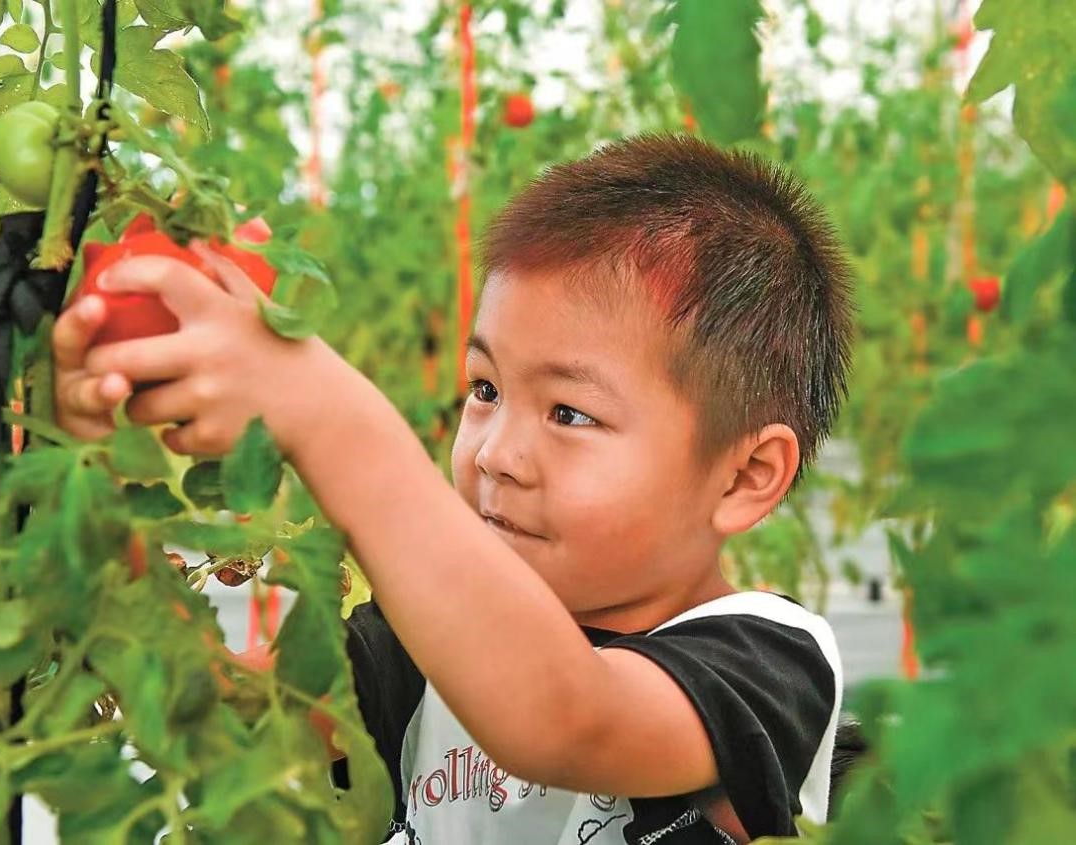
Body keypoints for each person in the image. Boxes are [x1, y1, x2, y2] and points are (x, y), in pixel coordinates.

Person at [51, 132, 854, 844]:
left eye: (569, 412)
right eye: (484, 389)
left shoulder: (765, 660)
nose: (497, 453)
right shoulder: (411, 651)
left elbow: (564, 718)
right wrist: (96, 492)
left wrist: (330, 420)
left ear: (745, 477)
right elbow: (205, 714)